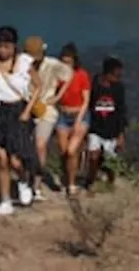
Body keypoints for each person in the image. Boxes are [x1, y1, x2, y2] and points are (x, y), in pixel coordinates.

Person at [0, 26, 40, 215]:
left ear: (14, 46)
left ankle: (23, 181)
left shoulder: (24, 62)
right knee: (2, 159)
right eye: (0, 46)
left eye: (7, 47)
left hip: (18, 110)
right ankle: (5, 199)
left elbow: (38, 86)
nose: (3, 51)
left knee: (15, 159)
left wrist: (28, 110)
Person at [23, 36, 72, 197]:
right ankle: (25, 180)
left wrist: (57, 97)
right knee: (24, 146)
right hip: (26, 107)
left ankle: (36, 184)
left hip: (46, 109)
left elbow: (69, 75)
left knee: (40, 144)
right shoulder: (21, 64)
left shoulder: (52, 64)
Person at [54, 43, 91, 196]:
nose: (66, 65)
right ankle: (66, 176)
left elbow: (86, 99)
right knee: (63, 151)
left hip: (79, 115)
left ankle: (72, 183)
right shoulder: (58, 75)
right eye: (63, 61)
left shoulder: (82, 75)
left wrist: (78, 120)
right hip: (63, 114)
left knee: (71, 150)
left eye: (69, 62)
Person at [86, 56, 127, 189]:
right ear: (107, 74)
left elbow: (121, 111)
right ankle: (90, 181)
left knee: (111, 160)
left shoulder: (119, 88)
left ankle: (111, 182)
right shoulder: (94, 85)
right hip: (95, 128)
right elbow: (88, 105)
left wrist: (121, 134)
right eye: (116, 75)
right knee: (93, 155)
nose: (118, 78)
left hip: (112, 130)